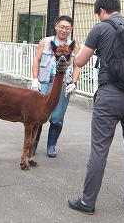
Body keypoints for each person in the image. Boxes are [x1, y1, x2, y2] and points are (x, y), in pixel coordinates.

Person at [68, 0, 124, 214]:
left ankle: (88, 202)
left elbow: (80, 61)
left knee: (99, 150)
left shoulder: (100, 28)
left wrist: (80, 51)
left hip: (110, 95)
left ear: (102, 10)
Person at [31, 15, 80, 158]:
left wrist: (73, 82)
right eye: (62, 27)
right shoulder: (45, 42)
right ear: (56, 26)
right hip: (45, 82)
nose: (64, 30)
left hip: (63, 84)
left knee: (57, 117)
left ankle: (51, 146)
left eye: (67, 28)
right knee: (37, 114)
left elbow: (77, 66)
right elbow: (37, 60)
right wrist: (35, 79)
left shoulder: (73, 46)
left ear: (71, 29)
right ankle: (33, 144)